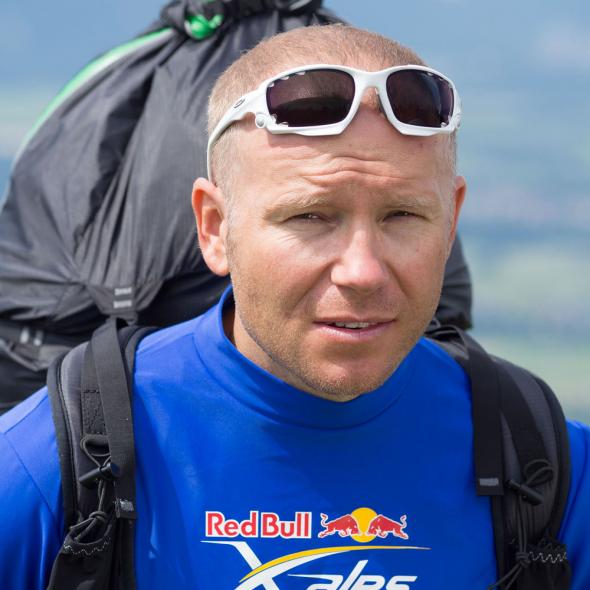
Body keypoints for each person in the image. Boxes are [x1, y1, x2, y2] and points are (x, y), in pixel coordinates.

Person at [0, 24, 588, 589]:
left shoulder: (546, 465)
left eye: (403, 215)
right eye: (310, 216)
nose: (362, 271)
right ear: (215, 228)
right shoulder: (50, 463)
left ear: (451, 220)